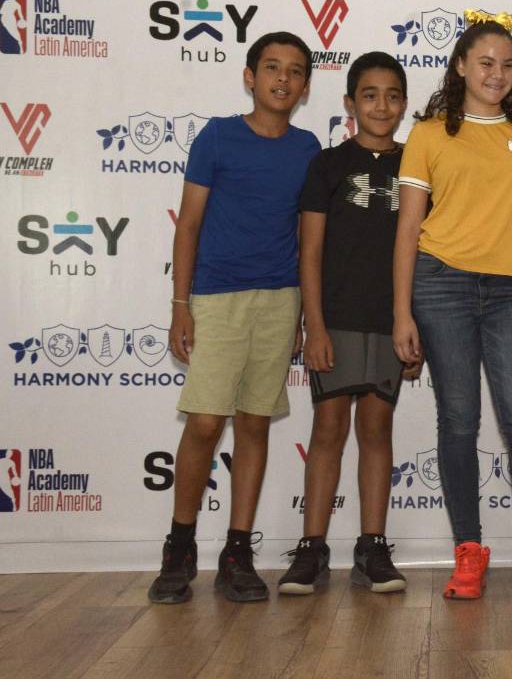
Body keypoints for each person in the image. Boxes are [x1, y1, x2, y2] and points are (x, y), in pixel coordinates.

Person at [392, 13, 512, 614]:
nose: (498, 74)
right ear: (460, 67)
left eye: (508, 64)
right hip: (439, 286)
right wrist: (401, 312)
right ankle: (468, 552)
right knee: (458, 421)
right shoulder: (427, 135)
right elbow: (408, 228)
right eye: (485, 63)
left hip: (510, 294)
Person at [149, 32, 321, 604]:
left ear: (305, 86)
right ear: (250, 76)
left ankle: (237, 552)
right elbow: (189, 225)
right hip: (217, 298)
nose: (282, 79)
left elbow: (307, 238)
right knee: (204, 423)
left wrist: (302, 314)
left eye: (294, 70)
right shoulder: (218, 136)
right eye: (271, 67)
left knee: (253, 424)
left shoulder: (308, 148)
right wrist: (180, 305)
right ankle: (179, 548)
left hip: (280, 300)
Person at [277, 52, 419, 596]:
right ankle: (312, 548)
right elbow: (308, 251)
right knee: (329, 428)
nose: (381, 106)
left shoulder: (418, 165)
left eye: (392, 96)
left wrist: (417, 327)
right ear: (349, 104)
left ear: (404, 103)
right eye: (369, 95)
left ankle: (372, 547)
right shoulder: (327, 165)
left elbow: (426, 255)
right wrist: (313, 326)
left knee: (377, 430)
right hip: (334, 319)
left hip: (391, 321)